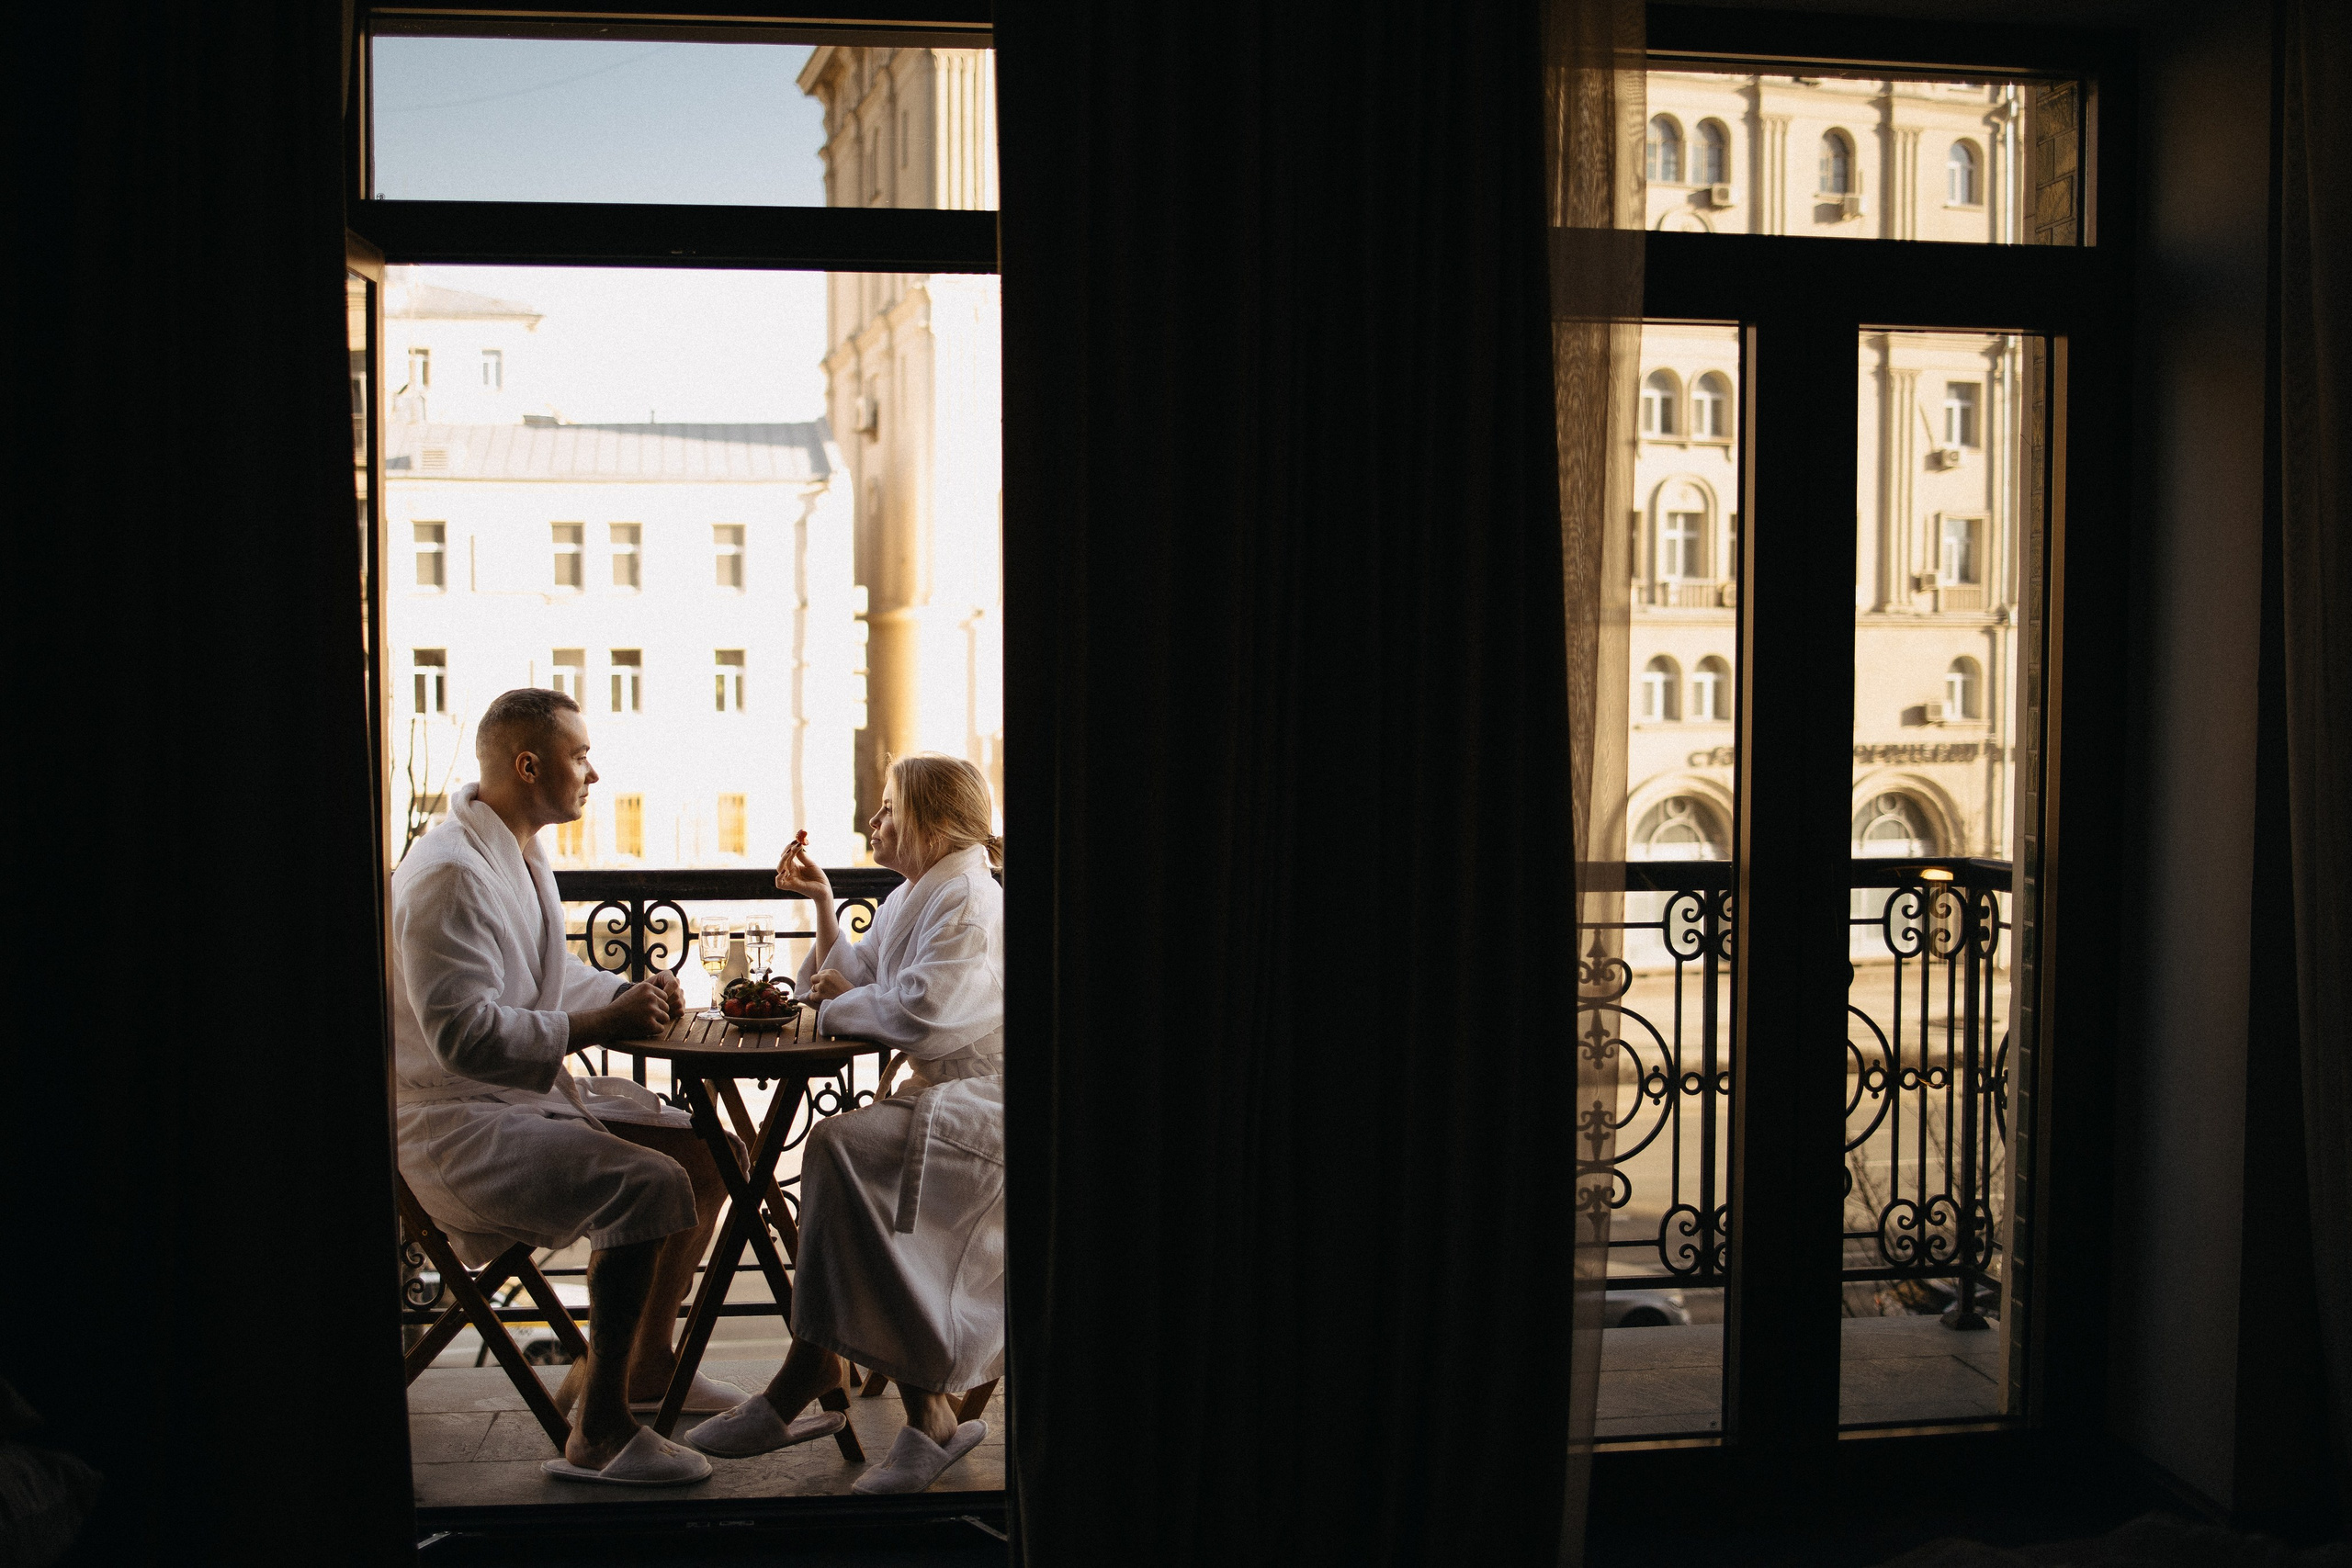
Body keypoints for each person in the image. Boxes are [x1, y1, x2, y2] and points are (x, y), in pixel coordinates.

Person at [392, 688, 799, 1486]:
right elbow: (464, 1035)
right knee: (647, 1183)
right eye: (580, 755)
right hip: (450, 1127)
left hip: (512, 1103)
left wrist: (626, 991)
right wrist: (602, 1023)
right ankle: (599, 1430)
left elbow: (547, 978)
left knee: (707, 1152)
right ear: (528, 766)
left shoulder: (517, 854)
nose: (594, 772)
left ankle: (647, 1365)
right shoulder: (448, 874)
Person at [686, 754, 1005, 1495]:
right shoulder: (918, 893)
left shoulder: (969, 902)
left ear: (931, 822)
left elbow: (920, 1014)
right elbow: (853, 975)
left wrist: (837, 1003)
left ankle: (811, 1373)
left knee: (838, 1147)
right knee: (842, 1155)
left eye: (889, 807)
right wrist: (824, 901)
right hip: (942, 1100)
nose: (874, 820)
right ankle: (916, 1409)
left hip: (985, 1113)